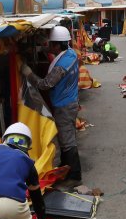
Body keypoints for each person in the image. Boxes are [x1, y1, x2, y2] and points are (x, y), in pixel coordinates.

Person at [21, 26, 82, 187]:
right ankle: (65, 170)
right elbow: (53, 52)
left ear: (58, 45)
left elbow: (45, 84)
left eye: (52, 44)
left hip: (64, 105)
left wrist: (28, 73)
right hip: (70, 102)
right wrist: (39, 46)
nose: (50, 47)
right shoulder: (71, 54)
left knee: (67, 141)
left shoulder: (61, 65)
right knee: (65, 138)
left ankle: (75, 176)